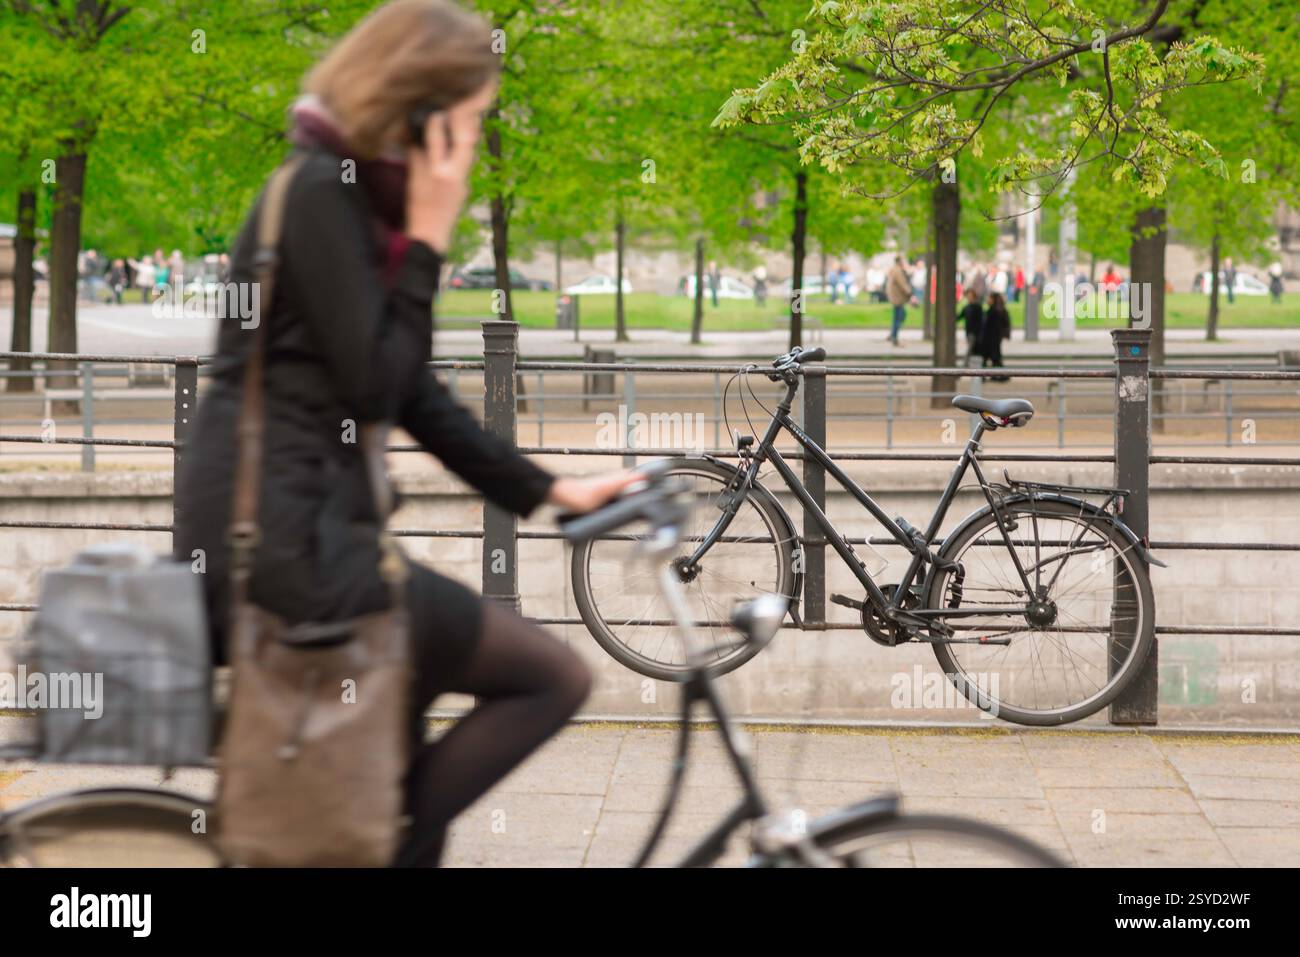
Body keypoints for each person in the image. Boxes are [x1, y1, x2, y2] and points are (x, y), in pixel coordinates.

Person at [173, 0, 639, 869]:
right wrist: (428, 235)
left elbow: (409, 389)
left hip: (303, 532)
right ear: (418, 113)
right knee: (551, 676)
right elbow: (379, 384)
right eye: (466, 123)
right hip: (285, 549)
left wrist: (547, 489)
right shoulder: (320, 193)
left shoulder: (336, 197)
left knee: (398, 745)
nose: (467, 147)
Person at [980, 292, 1011, 381]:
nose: (987, 300)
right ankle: (997, 376)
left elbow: (989, 327)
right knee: (994, 359)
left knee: (992, 359)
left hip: (990, 340)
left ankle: (999, 376)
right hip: (994, 339)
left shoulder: (993, 312)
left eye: (989, 298)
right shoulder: (999, 310)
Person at [885, 255, 911, 345]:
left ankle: (893, 334)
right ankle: (894, 336)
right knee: (899, 316)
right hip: (897, 298)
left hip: (895, 297)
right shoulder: (897, 271)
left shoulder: (894, 270)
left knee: (898, 316)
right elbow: (902, 284)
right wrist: (909, 293)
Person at [959, 288, 983, 365]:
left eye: (970, 296)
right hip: (969, 331)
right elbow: (959, 317)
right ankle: (970, 364)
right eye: (968, 296)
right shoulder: (967, 307)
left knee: (971, 348)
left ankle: (965, 364)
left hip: (975, 332)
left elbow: (981, 320)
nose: (969, 298)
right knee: (972, 348)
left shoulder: (977, 307)